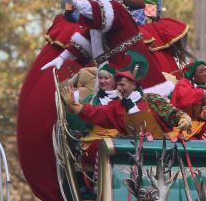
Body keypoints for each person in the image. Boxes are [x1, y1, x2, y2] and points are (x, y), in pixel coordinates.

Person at [43, 0, 173, 97]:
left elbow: (100, 9)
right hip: (111, 74)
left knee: (141, 104)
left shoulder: (115, 7)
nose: (89, 0)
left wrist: (77, 4)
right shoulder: (96, 23)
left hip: (133, 66)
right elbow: (84, 41)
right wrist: (62, 57)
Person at [59, 54, 193, 141]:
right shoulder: (116, 107)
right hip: (133, 159)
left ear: (134, 84)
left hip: (161, 153)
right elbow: (96, 113)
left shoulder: (152, 100)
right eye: (118, 85)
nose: (119, 88)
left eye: (122, 85)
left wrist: (183, 119)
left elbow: (172, 113)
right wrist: (74, 105)